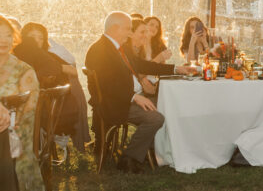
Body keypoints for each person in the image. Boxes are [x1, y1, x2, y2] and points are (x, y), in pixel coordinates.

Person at [85, 12, 189, 173]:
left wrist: (176, 69)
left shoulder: (118, 47)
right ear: (114, 28)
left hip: (126, 99)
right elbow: (107, 85)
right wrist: (134, 97)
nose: (129, 32)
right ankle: (129, 158)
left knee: (168, 105)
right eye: (127, 29)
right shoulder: (99, 50)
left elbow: (143, 66)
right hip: (114, 105)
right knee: (155, 118)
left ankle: (160, 151)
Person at [0, 15, 50, 191]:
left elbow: (29, 111)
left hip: (14, 134)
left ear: (15, 39)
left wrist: (8, 123)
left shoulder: (24, 70)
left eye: (7, 35)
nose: (3, 40)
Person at [12, 22, 84, 141]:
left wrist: (59, 68)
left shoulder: (49, 56)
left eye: (41, 38)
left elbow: (73, 71)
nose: (36, 41)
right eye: (32, 37)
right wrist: (60, 68)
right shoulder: (19, 55)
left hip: (43, 108)